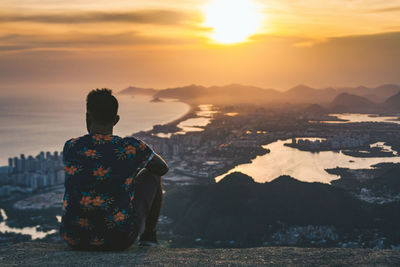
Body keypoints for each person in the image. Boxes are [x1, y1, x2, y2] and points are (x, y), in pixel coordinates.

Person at [60, 88, 168, 250]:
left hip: (74, 238)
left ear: (87, 117)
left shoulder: (71, 146)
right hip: (119, 239)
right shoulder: (131, 147)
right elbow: (162, 168)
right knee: (152, 174)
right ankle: (149, 238)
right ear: (116, 119)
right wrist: (133, 173)